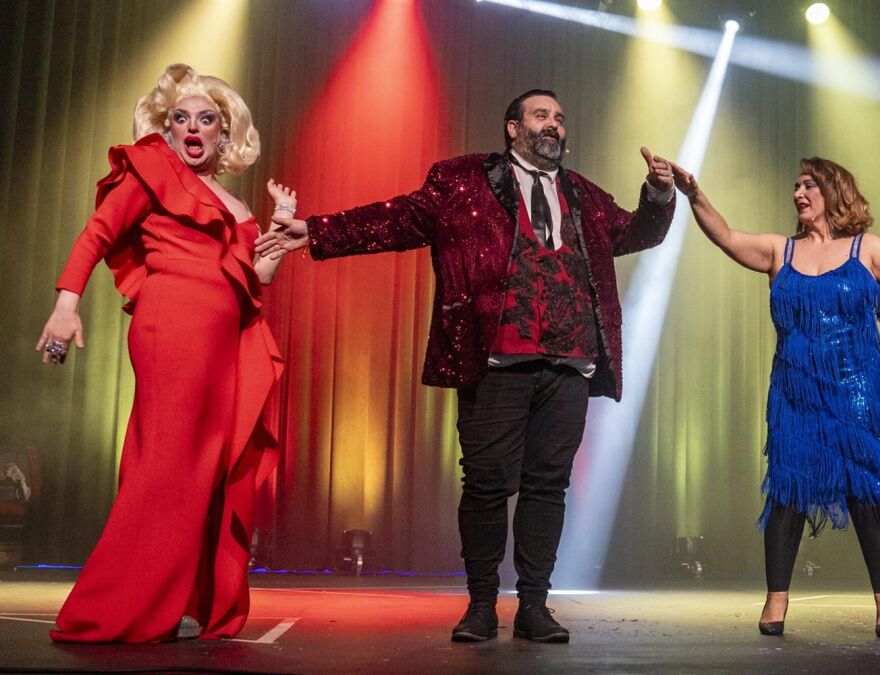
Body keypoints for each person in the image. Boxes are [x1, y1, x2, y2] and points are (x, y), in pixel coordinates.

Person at [268, 89, 676, 643]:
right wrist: (317, 231)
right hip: (496, 357)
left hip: (570, 359)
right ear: (512, 127)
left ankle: (534, 606)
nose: (553, 125)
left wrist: (658, 194)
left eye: (559, 118)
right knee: (485, 483)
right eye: (541, 115)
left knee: (548, 486)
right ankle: (481, 604)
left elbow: (635, 233)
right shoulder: (463, 180)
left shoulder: (582, 193)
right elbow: (400, 219)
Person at [38, 63, 296, 642]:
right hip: (171, 328)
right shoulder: (153, 170)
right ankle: (119, 604)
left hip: (223, 344)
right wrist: (65, 305)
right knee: (167, 465)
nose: (193, 128)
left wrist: (280, 230)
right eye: (181, 118)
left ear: (224, 134)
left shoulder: (234, 205)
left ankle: (173, 601)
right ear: (168, 127)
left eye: (206, 119)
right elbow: (97, 233)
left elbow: (256, 280)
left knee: (208, 468)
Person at [669, 156, 880, 638]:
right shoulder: (780, 250)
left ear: (835, 192)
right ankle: (776, 600)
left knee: (866, 490)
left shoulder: (866, 247)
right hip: (795, 393)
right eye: (796, 186)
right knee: (787, 491)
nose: (798, 193)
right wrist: (694, 193)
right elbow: (725, 236)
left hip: (855, 390)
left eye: (809, 185)